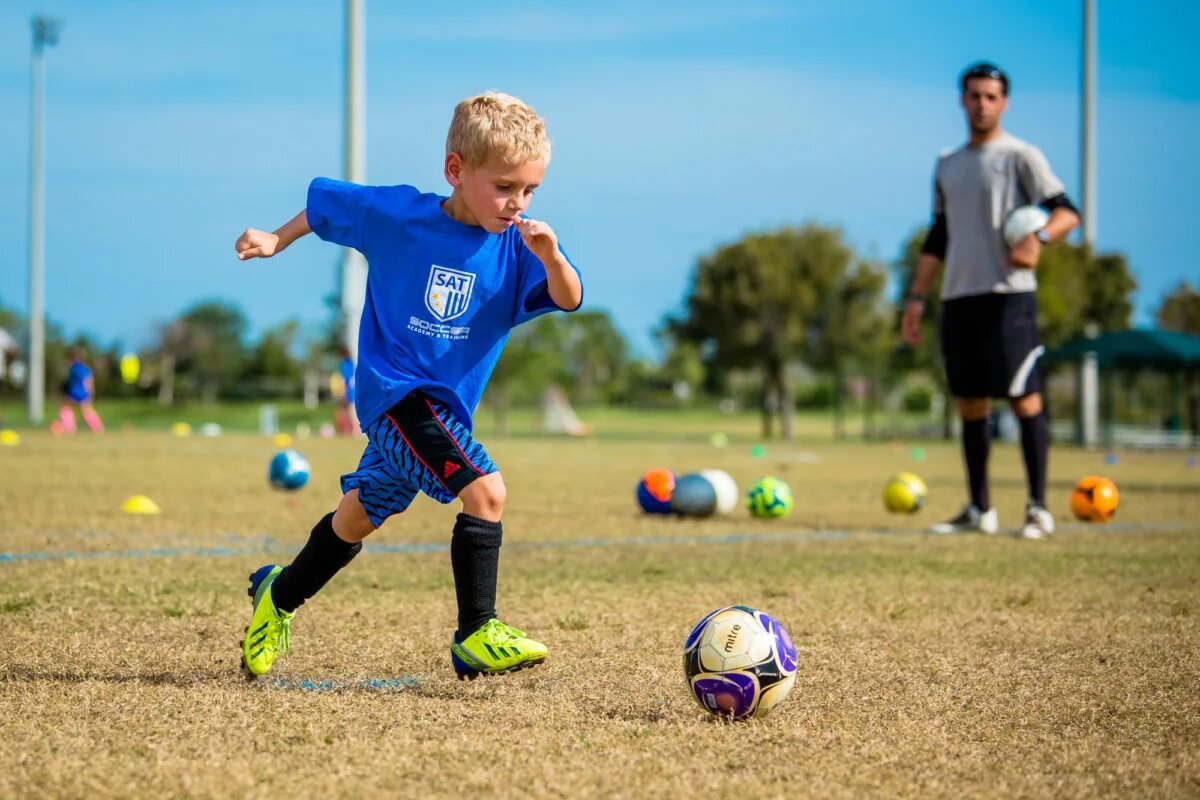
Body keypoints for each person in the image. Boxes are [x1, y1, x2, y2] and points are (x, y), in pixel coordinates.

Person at [233, 92, 583, 679]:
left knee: (357, 517)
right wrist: (274, 238)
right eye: (503, 187)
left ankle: (279, 593)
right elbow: (326, 209)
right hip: (394, 395)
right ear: (456, 171)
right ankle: (477, 632)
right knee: (487, 494)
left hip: (444, 412)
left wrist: (550, 257)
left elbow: (569, 297)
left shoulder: (520, 248)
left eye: (529, 191)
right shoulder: (400, 216)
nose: (516, 202)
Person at [901, 63, 1080, 540]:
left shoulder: (1021, 155)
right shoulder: (947, 163)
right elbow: (939, 235)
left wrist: (1039, 236)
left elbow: (1068, 211)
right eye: (974, 95)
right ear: (962, 100)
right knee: (969, 404)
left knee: (1024, 399)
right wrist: (916, 298)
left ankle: (1038, 508)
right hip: (959, 296)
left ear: (1004, 103)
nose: (982, 104)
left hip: (1009, 298)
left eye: (991, 96)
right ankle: (980, 508)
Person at [52, 348, 105, 434]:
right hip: (84, 392)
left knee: (65, 408)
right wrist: (90, 393)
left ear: (71, 359)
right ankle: (97, 427)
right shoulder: (85, 368)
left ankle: (69, 427)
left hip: (76, 392)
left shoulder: (75, 368)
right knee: (86, 410)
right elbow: (89, 380)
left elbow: (86, 380)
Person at [332, 347, 359, 435]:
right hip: (352, 390)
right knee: (346, 410)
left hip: (348, 391)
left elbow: (345, 379)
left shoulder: (345, 363)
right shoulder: (351, 363)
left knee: (350, 411)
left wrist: (342, 392)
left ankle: (355, 431)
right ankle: (347, 430)